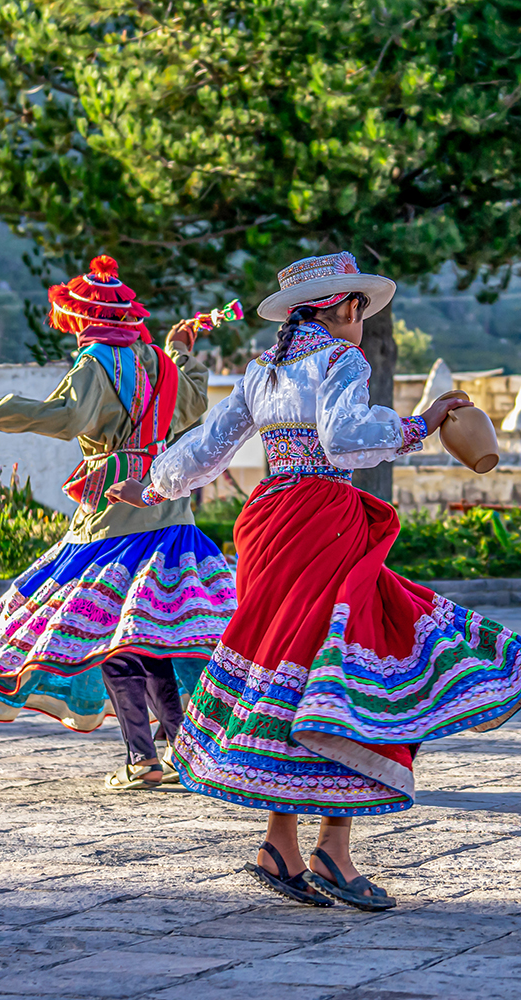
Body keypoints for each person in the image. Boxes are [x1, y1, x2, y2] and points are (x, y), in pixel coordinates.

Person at [106, 250, 521, 906]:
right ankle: (327, 848)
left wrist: (152, 482)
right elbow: (347, 439)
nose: (361, 318)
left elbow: (207, 447)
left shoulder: (263, 369)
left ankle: (288, 844)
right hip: (320, 521)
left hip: (269, 523)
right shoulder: (340, 359)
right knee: (355, 672)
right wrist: (421, 421)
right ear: (343, 308)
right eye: (358, 307)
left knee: (293, 673)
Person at [0, 255, 236, 790]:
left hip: (111, 516)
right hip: (167, 506)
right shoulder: (158, 361)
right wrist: (180, 351)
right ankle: (183, 752)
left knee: (114, 639)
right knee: (154, 639)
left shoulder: (96, 363)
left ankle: (144, 759)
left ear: (83, 319)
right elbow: (193, 403)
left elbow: (66, 419)